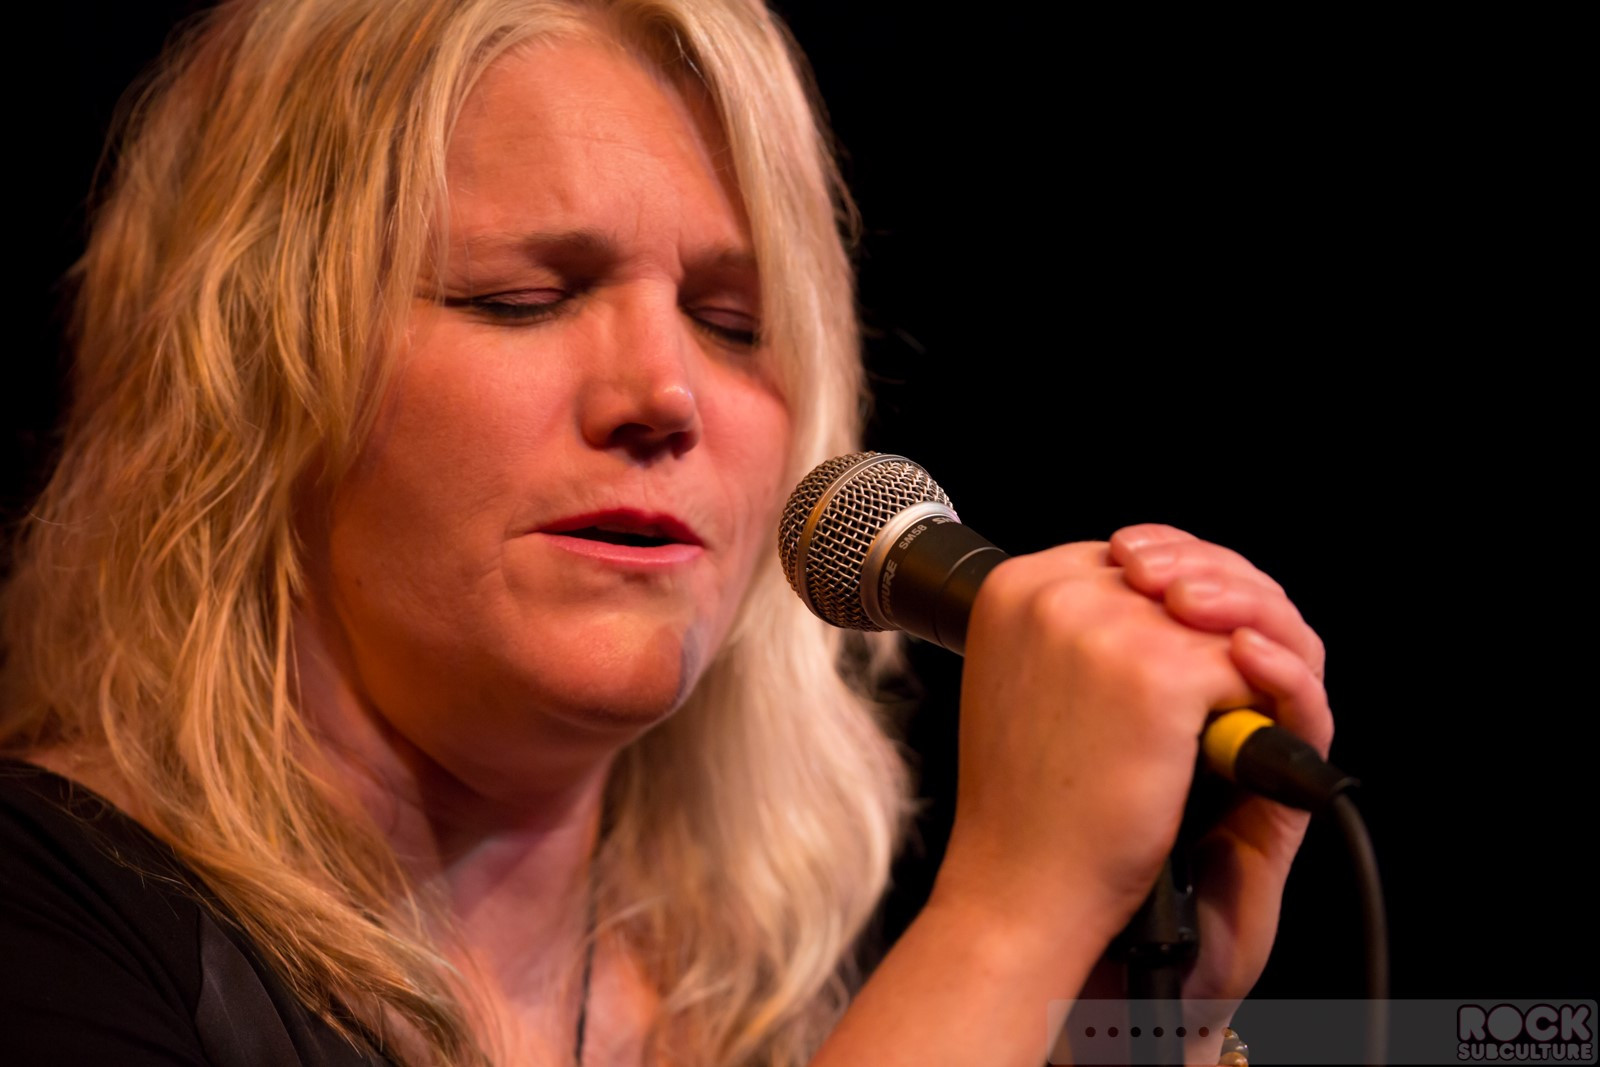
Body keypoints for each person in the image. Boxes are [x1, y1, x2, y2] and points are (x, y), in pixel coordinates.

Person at [0, 1, 1332, 1064]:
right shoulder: (44, 926)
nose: (666, 393)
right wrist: (1003, 923)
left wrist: (1117, 1026)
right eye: (522, 297)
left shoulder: (781, 999)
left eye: (734, 324)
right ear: (251, 378)